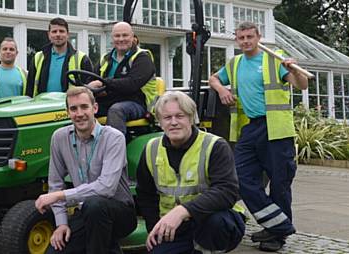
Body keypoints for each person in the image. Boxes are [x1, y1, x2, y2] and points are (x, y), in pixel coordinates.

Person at [208, 21, 308, 252]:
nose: (245, 41)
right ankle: (279, 224)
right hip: (250, 129)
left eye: (249, 37)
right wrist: (222, 89)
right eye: (241, 38)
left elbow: (302, 84)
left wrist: (293, 69)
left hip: (277, 130)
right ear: (236, 40)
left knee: (280, 184)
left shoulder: (274, 59)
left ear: (258, 37)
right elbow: (214, 78)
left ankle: (276, 235)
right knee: (239, 179)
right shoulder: (235, 64)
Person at [136, 91, 245, 253]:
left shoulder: (214, 146)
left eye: (180, 116)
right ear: (159, 122)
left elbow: (226, 191)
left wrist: (183, 211)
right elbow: (145, 195)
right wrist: (156, 228)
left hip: (211, 221)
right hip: (175, 226)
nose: (174, 122)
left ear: (191, 117)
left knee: (216, 223)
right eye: (167, 118)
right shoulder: (151, 149)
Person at [34, 87, 136, 254]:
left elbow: (106, 188)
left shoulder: (114, 138)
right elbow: (55, 183)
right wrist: (61, 224)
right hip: (85, 212)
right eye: (73, 109)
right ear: (67, 112)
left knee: (94, 205)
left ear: (94, 108)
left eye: (84, 107)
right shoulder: (59, 138)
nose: (79, 113)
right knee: (55, 251)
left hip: (119, 212)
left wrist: (59, 196)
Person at [87, 22, 156, 135]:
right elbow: (92, 79)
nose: (121, 39)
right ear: (112, 38)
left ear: (133, 37)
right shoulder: (105, 59)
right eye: (117, 36)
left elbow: (131, 84)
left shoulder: (142, 58)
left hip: (137, 103)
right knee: (82, 108)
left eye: (125, 35)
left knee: (117, 110)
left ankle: (115, 149)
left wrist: (103, 84)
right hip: (110, 101)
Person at [25, 17, 93, 97]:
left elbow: (89, 90)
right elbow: (29, 88)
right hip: (42, 106)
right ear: (49, 35)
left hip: (69, 107)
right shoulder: (38, 58)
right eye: (54, 31)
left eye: (61, 31)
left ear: (67, 34)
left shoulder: (82, 59)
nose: (58, 34)